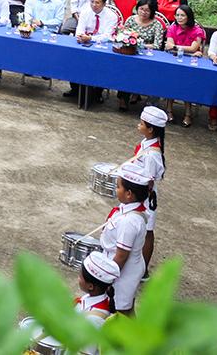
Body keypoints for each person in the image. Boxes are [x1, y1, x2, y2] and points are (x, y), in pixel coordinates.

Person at [100, 166, 152, 314]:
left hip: (123, 273)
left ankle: (135, 337)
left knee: (122, 311)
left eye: (118, 187)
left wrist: (108, 278)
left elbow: (122, 256)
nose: (116, 190)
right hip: (126, 268)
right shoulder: (128, 210)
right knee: (125, 308)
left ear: (129, 194)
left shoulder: (128, 221)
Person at [121, 105, 167, 270]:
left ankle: (143, 269)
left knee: (147, 231)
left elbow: (148, 180)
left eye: (141, 124)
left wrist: (136, 198)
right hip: (139, 193)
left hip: (145, 196)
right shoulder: (146, 143)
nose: (138, 126)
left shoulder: (152, 154)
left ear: (150, 129)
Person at [117, 0, 166, 110]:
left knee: (152, 73)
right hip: (131, 53)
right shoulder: (130, 20)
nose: (144, 12)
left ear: (152, 12)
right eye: (141, 9)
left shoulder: (156, 24)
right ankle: (123, 98)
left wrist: (139, 44)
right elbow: (123, 36)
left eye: (147, 10)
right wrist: (130, 44)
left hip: (149, 55)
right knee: (126, 69)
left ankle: (147, 100)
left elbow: (157, 45)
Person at [163, 6, 207, 127]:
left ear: (189, 16)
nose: (179, 18)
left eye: (182, 15)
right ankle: (169, 111)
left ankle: (188, 114)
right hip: (174, 59)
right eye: (177, 15)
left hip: (191, 63)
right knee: (171, 82)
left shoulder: (197, 30)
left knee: (187, 84)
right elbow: (168, 45)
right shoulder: (172, 27)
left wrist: (177, 48)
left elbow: (193, 48)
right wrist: (187, 50)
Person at [78, 250, 120, 320]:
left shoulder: (94, 318)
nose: (78, 278)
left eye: (80, 276)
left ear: (90, 286)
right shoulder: (92, 297)